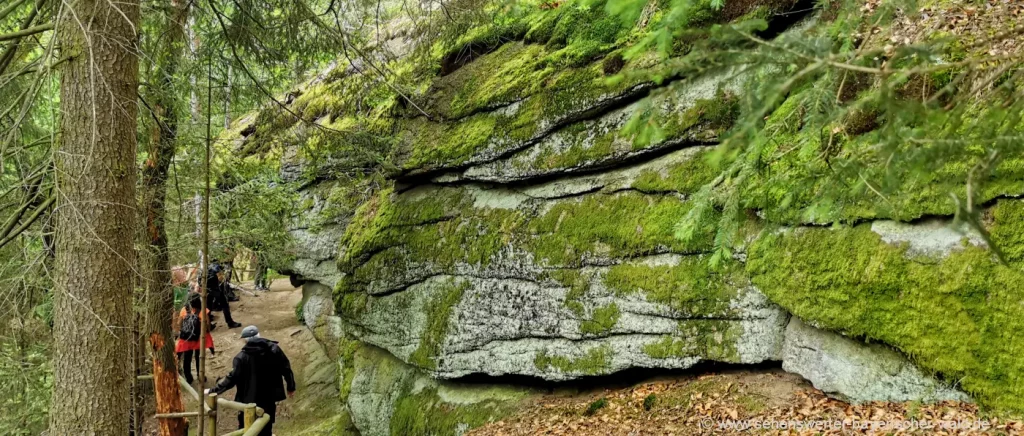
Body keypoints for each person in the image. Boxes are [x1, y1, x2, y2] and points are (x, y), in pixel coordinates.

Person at [207, 326, 295, 436]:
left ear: (245, 340)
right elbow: (286, 368)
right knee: (266, 426)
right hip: (269, 397)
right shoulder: (274, 349)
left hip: (248, 399)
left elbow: (231, 379)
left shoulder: (241, 357)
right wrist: (291, 387)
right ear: (259, 335)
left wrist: (213, 390)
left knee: (246, 428)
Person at [175, 293, 215, 385]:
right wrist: (207, 331)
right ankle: (200, 375)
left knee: (187, 358)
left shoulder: (184, 310)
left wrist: (184, 331)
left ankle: (188, 377)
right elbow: (208, 324)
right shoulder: (203, 310)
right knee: (199, 357)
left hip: (187, 338)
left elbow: (179, 323)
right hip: (199, 337)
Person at [206, 263, 241, 328]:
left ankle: (207, 325)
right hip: (216, 289)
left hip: (207, 289)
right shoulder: (216, 266)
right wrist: (223, 277)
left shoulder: (206, 266)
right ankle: (230, 322)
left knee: (208, 307)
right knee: (224, 304)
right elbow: (220, 278)